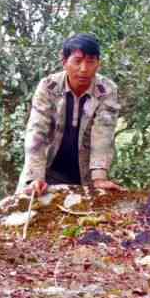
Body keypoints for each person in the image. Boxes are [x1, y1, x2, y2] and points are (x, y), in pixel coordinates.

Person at [16, 33, 123, 195]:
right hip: (47, 169)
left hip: (84, 173)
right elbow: (37, 131)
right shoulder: (48, 87)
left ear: (98, 64)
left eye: (90, 62)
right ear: (64, 62)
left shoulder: (106, 90)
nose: (84, 69)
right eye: (77, 61)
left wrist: (99, 177)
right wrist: (35, 177)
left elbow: (103, 133)